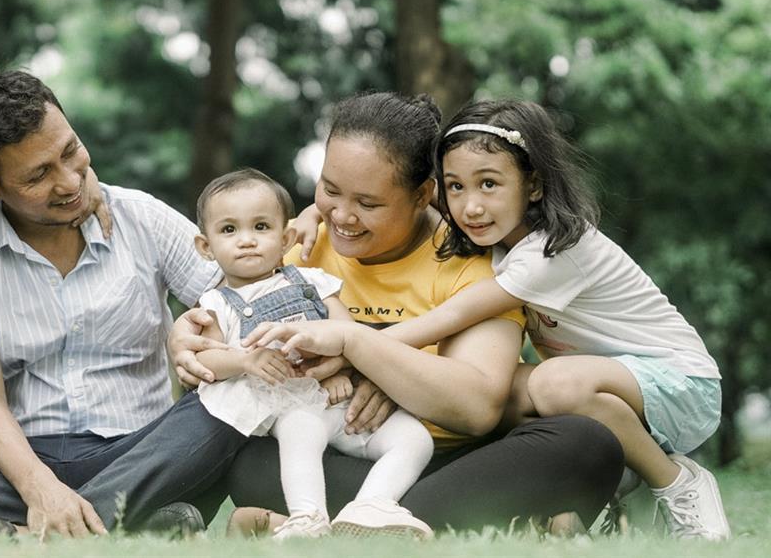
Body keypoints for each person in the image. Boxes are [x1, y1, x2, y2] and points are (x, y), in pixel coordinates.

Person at [171, 91, 625, 534]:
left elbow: (478, 407)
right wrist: (187, 339)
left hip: (450, 457)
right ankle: (420, 518)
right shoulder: (300, 245)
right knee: (246, 454)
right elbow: (229, 344)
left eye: (368, 204)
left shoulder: (471, 259)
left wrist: (368, 356)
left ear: (423, 194)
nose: (342, 216)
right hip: (326, 452)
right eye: (330, 190)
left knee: (589, 444)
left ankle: (347, 518)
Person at [0, 70, 245, 540]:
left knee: (239, 393)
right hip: (17, 466)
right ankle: (125, 528)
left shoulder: (140, 217)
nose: (69, 181)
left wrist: (199, 334)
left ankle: (17, 536)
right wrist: (41, 489)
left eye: (70, 151)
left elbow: (245, 301)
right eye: (39, 175)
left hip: (144, 452)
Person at [308, 99, 725, 539]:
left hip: (683, 383)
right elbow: (390, 202)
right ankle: (611, 486)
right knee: (494, 391)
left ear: (534, 185)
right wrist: (312, 212)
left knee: (553, 384)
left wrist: (361, 351)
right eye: (456, 186)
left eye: (489, 184)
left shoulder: (554, 251)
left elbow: (451, 315)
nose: (470, 206)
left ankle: (677, 482)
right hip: (612, 388)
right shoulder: (501, 237)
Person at [191, 168, 434, 539]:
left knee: (415, 438)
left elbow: (347, 335)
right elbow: (205, 360)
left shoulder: (312, 282)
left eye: (260, 227)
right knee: (300, 435)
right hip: (291, 407)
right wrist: (244, 360)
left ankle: (369, 507)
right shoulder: (216, 304)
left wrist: (340, 371)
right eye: (229, 230)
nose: (246, 241)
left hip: (342, 403)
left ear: (286, 237)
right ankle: (309, 517)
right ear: (205, 247)